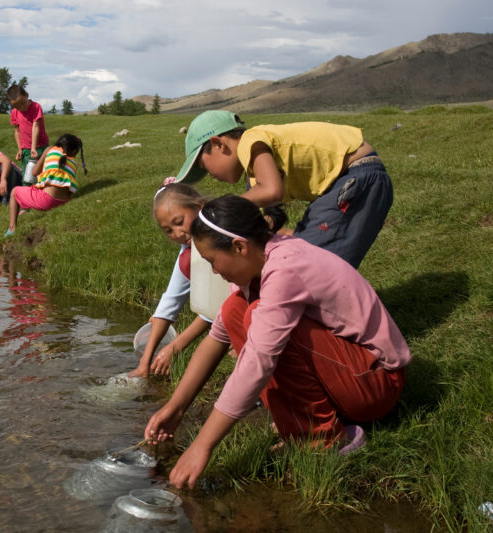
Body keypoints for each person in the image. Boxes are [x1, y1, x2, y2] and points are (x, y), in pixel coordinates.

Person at [144, 194, 410, 489]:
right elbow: (217, 337)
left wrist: (202, 446)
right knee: (234, 310)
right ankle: (301, 428)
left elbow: (258, 361)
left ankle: (325, 442)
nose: (214, 271)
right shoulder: (256, 264)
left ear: (239, 247)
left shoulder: (286, 270)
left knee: (258, 321)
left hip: (376, 383)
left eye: (212, 261)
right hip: (346, 374)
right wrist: (176, 407)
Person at [174, 110, 393, 268]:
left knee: (313, 264)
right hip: (344, 182)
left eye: (204, 165)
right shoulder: (253, 175)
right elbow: (272, 213)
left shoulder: (252, 141)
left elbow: (272, 191)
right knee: (303, 251)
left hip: (358, 176)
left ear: (219, 144)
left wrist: (224, 208)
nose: (210, 174)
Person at [129, 183, 213, 378]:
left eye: (179, 221)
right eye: (168, 230)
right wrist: (144, 362)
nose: (177, 233)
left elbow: (215, 310)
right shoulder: (188, 252)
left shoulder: (219, 240)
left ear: (199, 207)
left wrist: (174, 347)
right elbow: (171, 301)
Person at [4, 134, 86, 237]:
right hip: (65, 202)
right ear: (73, 150)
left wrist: (42, 158)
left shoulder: (49, 150)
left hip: (47, 201)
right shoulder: (73, 162)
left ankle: (12, 229)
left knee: (14, 192)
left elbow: (34, 173)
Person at [8, 85, 50, 165]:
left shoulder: (36, 107)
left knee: (45, 172)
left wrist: (33, 148)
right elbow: (17, 132)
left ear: (26, 95)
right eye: (17, 106)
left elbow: (36, 126)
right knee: (28, 175)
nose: (21, 108)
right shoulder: (14, 112)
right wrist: (20, 149)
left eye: (22, 103)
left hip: (41, 146)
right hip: (26, 149)